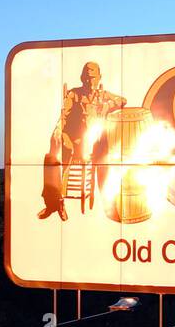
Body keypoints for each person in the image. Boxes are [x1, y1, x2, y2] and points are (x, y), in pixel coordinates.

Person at [39, 61, 126, 220]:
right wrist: (59, 130)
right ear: (81, 78)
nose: (89, 81)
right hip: (75, 142)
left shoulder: (103, 95)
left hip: (95, 143)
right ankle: (53, 203)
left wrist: (107, 106)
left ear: (99, 77)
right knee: (53, 153)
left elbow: (122, 100)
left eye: (92, 77)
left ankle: (110, 203)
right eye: (86, 77)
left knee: (107, 154)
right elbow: (63, 115)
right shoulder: (74, 94)